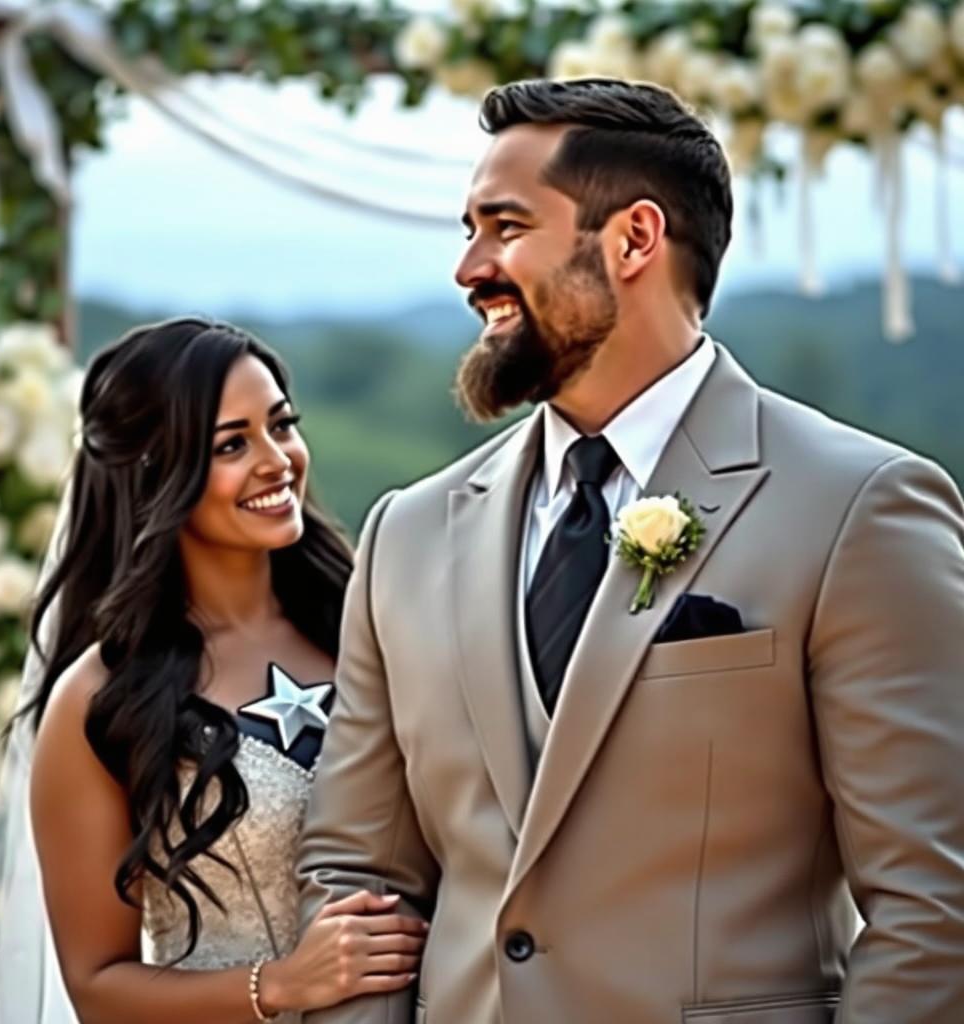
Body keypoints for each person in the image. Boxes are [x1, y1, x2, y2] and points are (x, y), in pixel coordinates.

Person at [298, 78, 964, 1024]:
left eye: (506, 226)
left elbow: (934, 909)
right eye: (469, 229)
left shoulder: (860, 507)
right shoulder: (408, 533)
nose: (469, 268)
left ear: (634, 240)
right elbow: (359, 878)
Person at [0, 318, 424, 1024]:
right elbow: (96, 985)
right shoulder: (99, 701)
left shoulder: (375, 620)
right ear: (158, 470)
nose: (277, 459)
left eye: (282, 425)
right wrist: (284, 983)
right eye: (233, 444)